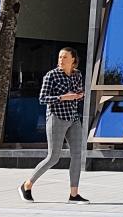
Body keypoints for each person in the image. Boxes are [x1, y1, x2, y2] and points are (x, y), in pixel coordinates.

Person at [22, 47, 88, 202]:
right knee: (53, 157)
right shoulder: (51, 76)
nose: (61, 60)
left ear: (73, 60)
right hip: (56, 118)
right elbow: (42, 98)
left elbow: (77, 94)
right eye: (60, 57)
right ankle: (27, 185)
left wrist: (79, 95)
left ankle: (74, 194)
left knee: (77, 156)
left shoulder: (77, 74)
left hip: (73, 118)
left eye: (65, 57)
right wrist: (62, 97)